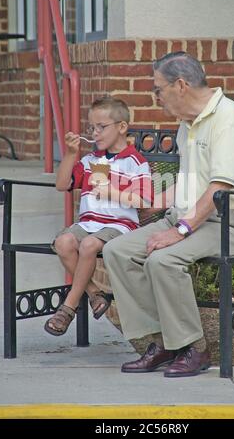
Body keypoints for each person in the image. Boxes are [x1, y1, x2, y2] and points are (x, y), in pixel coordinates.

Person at [103, 52, 234, 377]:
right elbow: (190, 181)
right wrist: (149, 201)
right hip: (192, 218)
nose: (156, 97)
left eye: (158, 89)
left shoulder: (227, 119)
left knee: (164, 260)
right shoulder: (186, 125)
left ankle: (194, 348)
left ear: (180, 85)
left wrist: (179, 231)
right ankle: (163, 341)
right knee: (116, 250)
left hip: (233, 224)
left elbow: (220, 188)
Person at [44, 96, 152, 336]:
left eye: (101, 127)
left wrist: (112, 192)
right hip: (89, 223)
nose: (94, 132)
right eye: (91, 127)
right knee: (63, 242)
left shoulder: (135, 162)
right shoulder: (91, 160)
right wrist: (71, 154)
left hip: (120, 224)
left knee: (90, 245)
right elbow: (62, 185)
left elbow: (143, 200)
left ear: (122, 127)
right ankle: (95, 294)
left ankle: (68, 308)